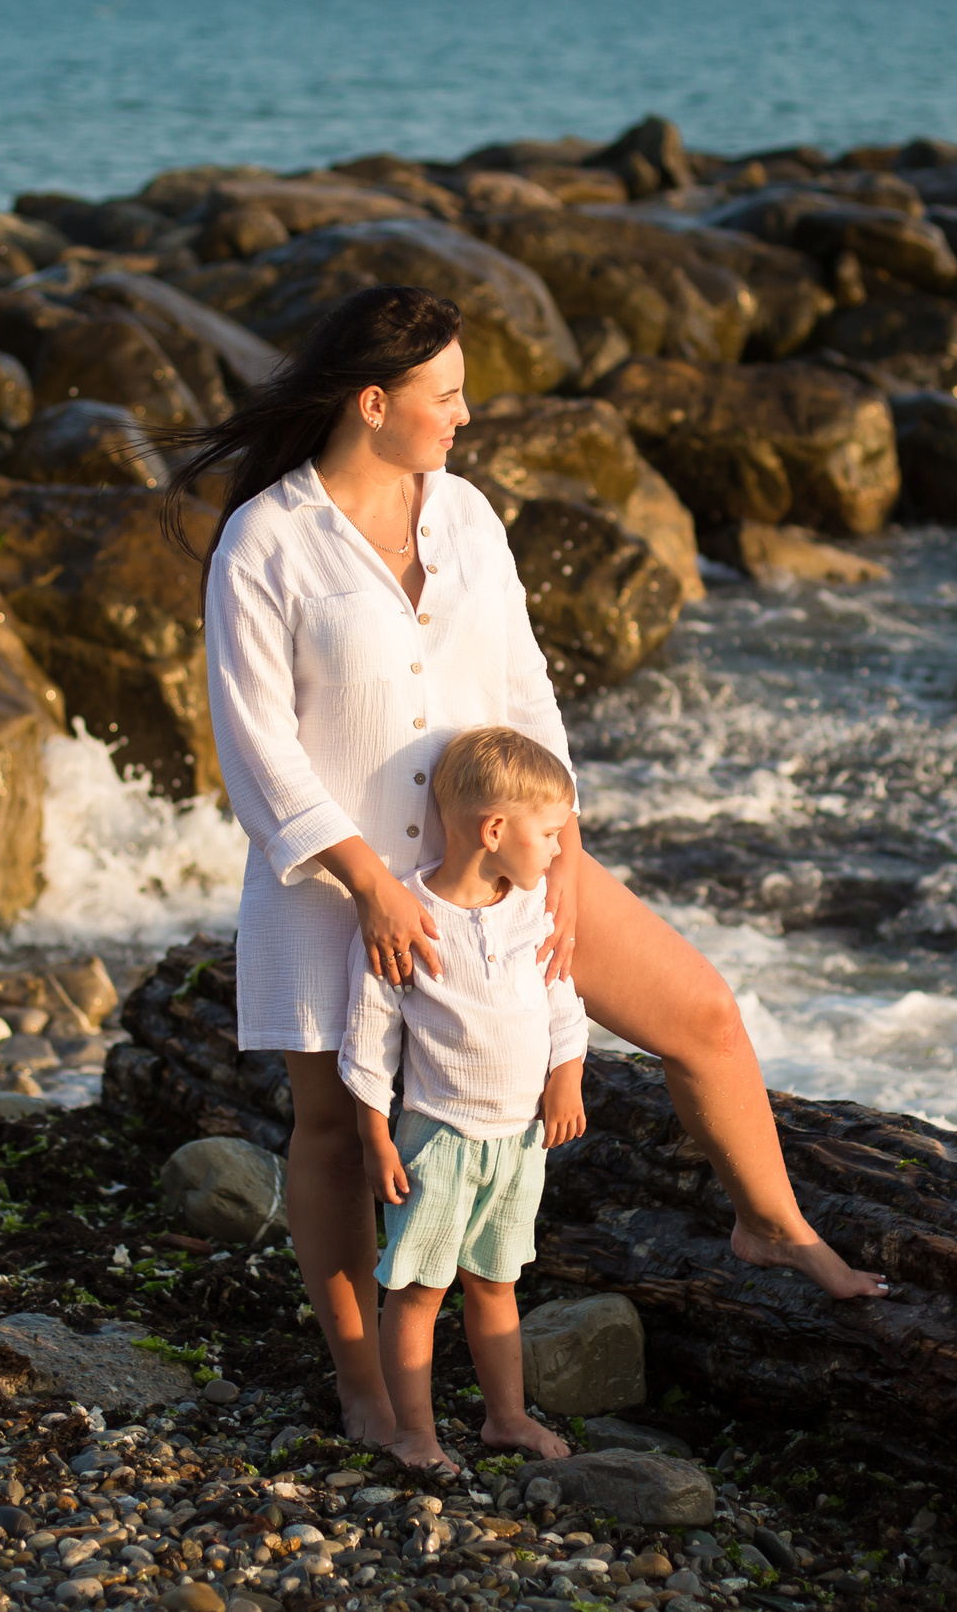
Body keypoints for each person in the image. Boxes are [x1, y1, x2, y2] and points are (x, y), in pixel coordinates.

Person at [167, 284, 884, 1447]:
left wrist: (566, 848)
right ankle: (363, 1389)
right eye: (443, 395)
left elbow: (523, 691)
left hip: (507, 865)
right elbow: (254, 746)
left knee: (699, 1010)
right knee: (338, 1131)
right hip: (335, 888)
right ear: (372, 402)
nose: (463, 415)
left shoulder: (466, 517)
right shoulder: (267, 541)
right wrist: (367, 880)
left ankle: (772, 1225)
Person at [339, 726, 583, 1473]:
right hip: (439, 1139)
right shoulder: (406, 918)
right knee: (417, 1290)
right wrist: (377, 1136)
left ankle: (504, 1417)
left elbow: (564, 1001)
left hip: (518, 1143)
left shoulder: (534, 910)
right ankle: (414, 1432)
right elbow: (371, 1039)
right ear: (494, 830)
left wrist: (565, 1077)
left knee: (496, 1281)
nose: (557, 851)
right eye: (549, 834)